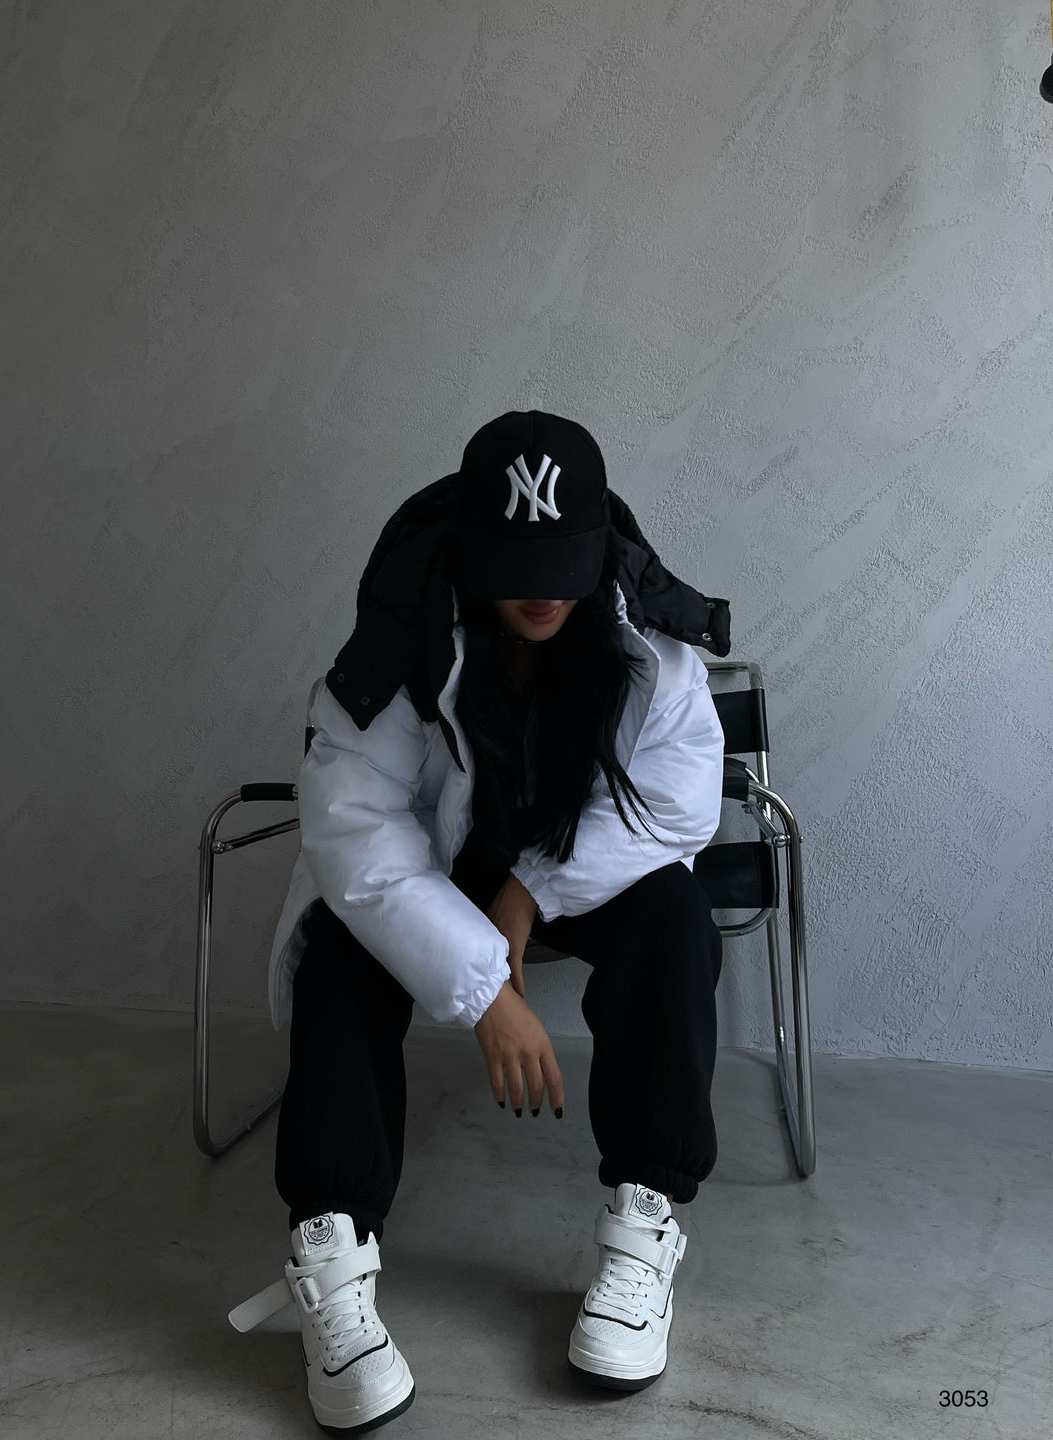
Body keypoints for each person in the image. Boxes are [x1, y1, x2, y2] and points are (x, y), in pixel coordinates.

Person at [228, 410, 731, 1433]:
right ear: (468, 554)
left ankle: (645, 1223)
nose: (542, 591)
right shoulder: (398, 650)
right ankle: (331, 1254)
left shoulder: (645, 647)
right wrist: (485, 987)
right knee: (337, 947)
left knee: (675, 917)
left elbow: (678, 803)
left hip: (572, 878)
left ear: (599, 550)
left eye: (562, 565)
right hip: (426, 877)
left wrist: (528, 893)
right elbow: (355, 836)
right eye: (515, 566)